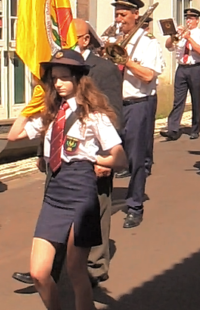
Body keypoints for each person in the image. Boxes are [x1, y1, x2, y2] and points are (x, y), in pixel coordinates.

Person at [7, 49, 126, 310]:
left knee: (75, 270)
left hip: (81, 191)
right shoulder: (50, 114)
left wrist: (97, 160)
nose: (58, 83)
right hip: (55, 193)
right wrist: (31, 105)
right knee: (38, 272)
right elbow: (14, 134)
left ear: (78, 79)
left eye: (64, 77)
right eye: (53, 78)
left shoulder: (93, 115)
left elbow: (120, 156)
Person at [12, 17, 123, 287]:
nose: (66, 40)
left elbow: (114, 112)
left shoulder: (104, 68)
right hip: (60, 160)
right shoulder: (58, 73)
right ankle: (51, 268)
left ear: (85, 39)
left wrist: (104, 159)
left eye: (72, 36)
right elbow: (51, 120)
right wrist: (43, 152)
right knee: (56, 214)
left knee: (94, 214)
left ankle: (94, 269)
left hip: (92, 155)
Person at [111, 0, 165, 229]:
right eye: (116, 14)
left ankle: (135, 205)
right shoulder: (113, 37)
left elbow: (148, 75)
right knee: (108, 152)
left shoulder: (148, 42)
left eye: (123, 14)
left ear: (136, 16)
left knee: (136, 157)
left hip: (138, 104)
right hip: (114, 104)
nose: (119, 19)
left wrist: (125, 60)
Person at [161, 8, 200, 141]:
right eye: (187, 18)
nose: (188, 21)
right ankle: (173, 129)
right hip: (181, 68)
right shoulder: (180, 34)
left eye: (191, 19)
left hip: (195, 68)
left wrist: (189, 38)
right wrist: (172, 35)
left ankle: (195, 129)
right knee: (178, 100)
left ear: (197, 20)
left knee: (196, 100)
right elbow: (169, 46)